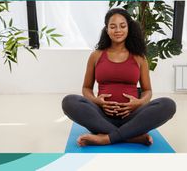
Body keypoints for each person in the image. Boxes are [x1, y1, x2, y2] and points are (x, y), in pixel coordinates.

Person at [62, 8, 176, 147]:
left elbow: (147, 91)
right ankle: (130, 137)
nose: (118, 30)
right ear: (107, 29)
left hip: (133, 117)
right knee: (69, 101)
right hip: (101, 117)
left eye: (122, 26)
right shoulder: (96, 55)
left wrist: (138, 103)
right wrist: (97, 101)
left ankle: (106, 138)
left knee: (168, 105)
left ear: (128, 28)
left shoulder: (139, 57)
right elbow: (86, 88)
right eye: (113, 26)